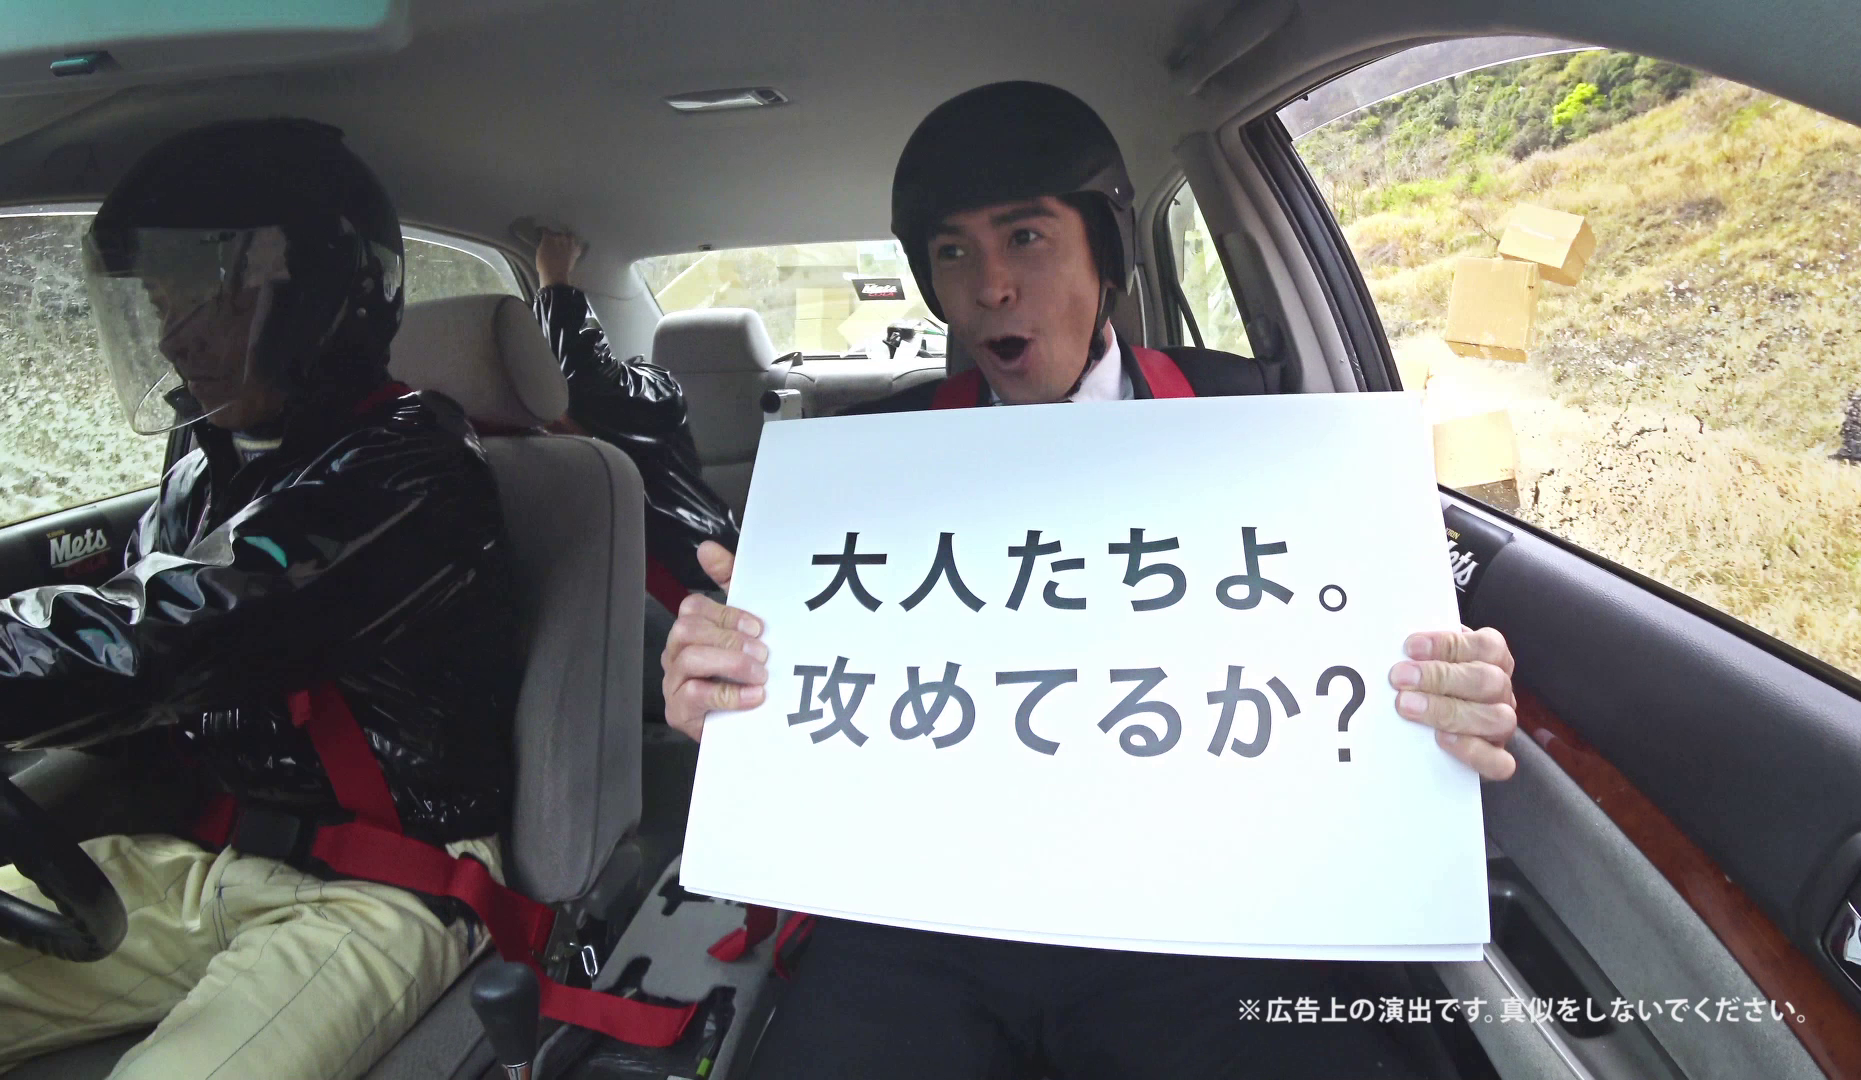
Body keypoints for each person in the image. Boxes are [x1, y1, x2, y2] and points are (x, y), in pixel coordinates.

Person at [662, 82, 1519, 1079]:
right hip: (923, 915)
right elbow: (798, 710)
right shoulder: (860, 462)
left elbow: (1354, 655)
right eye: (953, 252)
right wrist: (725, 693)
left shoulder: (1258, 423)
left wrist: (1445, 691)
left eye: (1026, 237)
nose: (990, 287)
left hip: (1202, 910)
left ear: (1106, 252)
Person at [0, 119, 521, 1079]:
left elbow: (179, 631)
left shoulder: (414, 466)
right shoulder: (203, 467)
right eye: (158, 303)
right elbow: (130, 671)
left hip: (380, 881)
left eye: (201, 298)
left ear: (316, 296)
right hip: (205, 858)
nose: (172, 336)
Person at [531, 230, 740, 604]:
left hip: (697, 583)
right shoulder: (496, 441)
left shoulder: (652, 393)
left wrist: (555, 282)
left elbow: (584, 378)